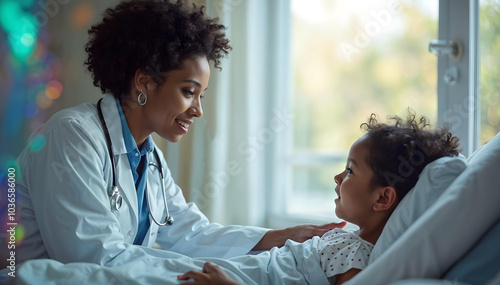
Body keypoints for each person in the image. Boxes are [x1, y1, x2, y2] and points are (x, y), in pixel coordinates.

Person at [9, 0, 343, 268]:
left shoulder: (147, 155)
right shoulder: (72, 136)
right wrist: (216, 276)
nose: (198, 110)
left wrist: (279, 237)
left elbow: (189, 232)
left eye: (202, 96)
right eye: (188, 91)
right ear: (144, 81)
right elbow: (95, 259)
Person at [177, 112, 461, 285]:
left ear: (383, 198)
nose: (337, 178)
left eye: (350, 170)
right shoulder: (348, 241)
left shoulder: (358, 260)